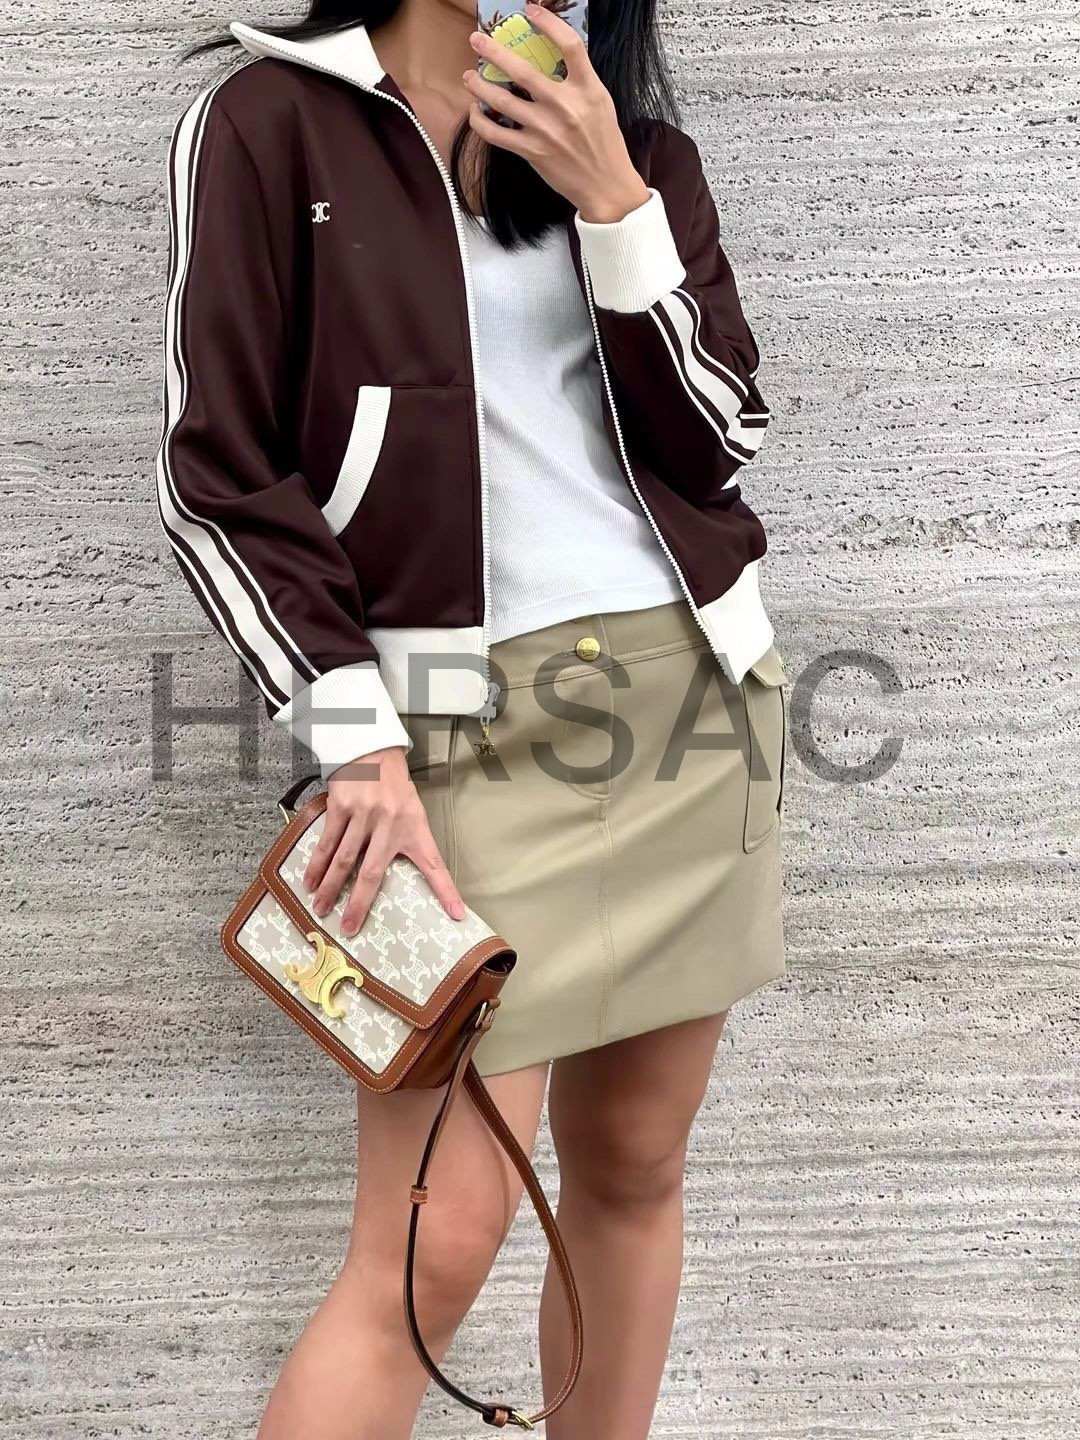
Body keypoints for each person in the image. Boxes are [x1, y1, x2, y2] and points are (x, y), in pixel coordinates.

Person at [157, 1, 788, 1434]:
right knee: (431, 1247)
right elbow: (219, 475)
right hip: (442, 732)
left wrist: (612, 196)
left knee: (634, 1170)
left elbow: (717, 440)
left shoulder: (631, 146)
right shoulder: (266, 124)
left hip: (686, 702)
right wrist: (357, 740)